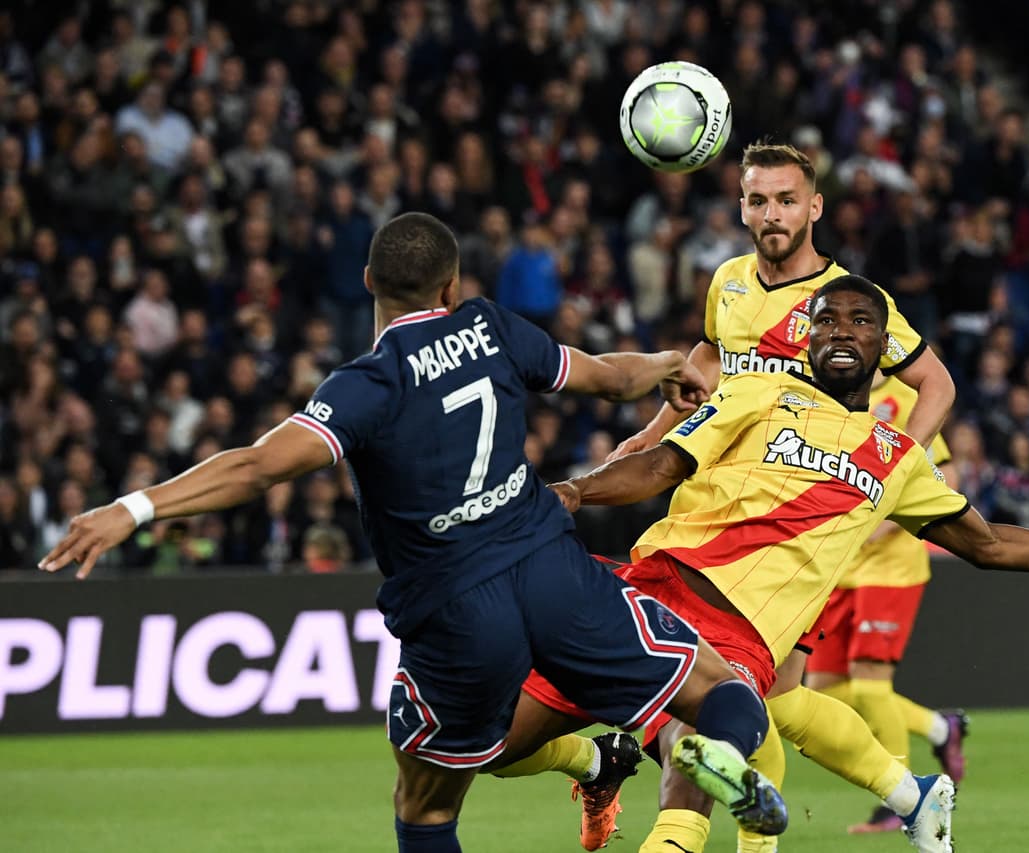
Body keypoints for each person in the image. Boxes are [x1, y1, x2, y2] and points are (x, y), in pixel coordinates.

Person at [39, 213, 790, 853]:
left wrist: (131, 508)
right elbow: (601, 372)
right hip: (552, 570)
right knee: (721, 688)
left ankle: (601, 762)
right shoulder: (491, 327)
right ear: (452, 286)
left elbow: (258, 466)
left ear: (368, 282)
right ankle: (714, 751)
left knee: (426, 801)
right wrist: (664, 364)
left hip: (457, 610)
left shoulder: (368, 382)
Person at [501, 277, 1029, 853]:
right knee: (493, 743)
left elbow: (990, 543)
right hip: (645, 590)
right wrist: (577, 489)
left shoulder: (899, 456)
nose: (842, 329)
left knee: (691, 780)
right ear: (805, 339)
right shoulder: (754, 392)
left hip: (735, 635)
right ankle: (597, 762)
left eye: (861, 320)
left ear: (884, 343)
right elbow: (661, 464)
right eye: (826, 319)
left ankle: (757, 811)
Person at [609, 141, 957, 851]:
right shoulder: (730, 283)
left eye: (787, 199)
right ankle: (911, 792)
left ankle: (784, 831)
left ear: (815, 206)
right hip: (707, 512)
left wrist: (894, 476)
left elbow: (937, 384)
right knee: (766, 698)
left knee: (738, 697)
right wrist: (649, 436)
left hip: (786, 535)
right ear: (741, 206)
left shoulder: (849, 303)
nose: (772, 214)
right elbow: (707, 362)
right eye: (759, 200)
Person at [802, 371, 969, 835]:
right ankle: (940, 728)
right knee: (818, 693)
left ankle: (902, 801)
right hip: (840, 570)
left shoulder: (905, 401)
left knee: (872, 689)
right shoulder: (823, 399)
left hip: (890, 571)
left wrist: (880, 524)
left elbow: (946, 476)